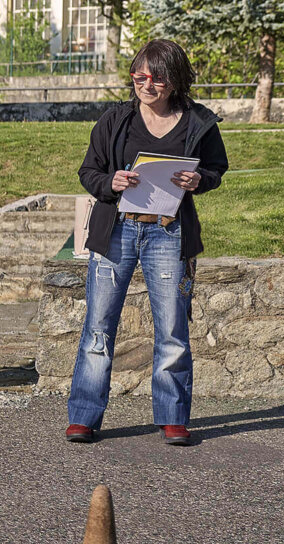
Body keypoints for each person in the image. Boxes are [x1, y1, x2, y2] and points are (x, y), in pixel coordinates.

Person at [67, 38, 227, 446]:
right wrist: (112, 182)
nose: (146, 85)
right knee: (99, 326)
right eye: (139, 76)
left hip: (169, 233)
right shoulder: (115, 120)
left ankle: (172, 418)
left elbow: (216, 169)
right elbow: (88, 172)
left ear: (175, 80)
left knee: (172, 328)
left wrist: (199, 180)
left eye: (156, 78)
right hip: (116, 230)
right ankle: (83, 417)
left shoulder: (198, 122)